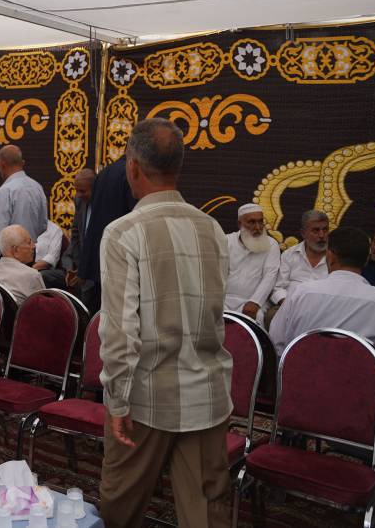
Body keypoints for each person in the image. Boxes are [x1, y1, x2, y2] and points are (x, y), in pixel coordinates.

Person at [98, 118, 233, 528]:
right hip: (207, 392)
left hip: (146, 396)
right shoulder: (213, 229)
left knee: (121, 507)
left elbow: (120, 331)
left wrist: (118, 400)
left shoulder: (123, 232)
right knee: (206, 510)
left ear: (132, 166)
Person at [270, 227, 375, 369]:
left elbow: (277, 342)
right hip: (365, 382)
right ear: (366, 260)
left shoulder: (301, 293)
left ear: (330, 257)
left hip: (303, 378)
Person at [79, 156, 136, 314]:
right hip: (123, 263)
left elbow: (94, 223)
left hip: (100, 261)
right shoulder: (132, 173)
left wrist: (84, 267)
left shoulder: (105, 173)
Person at [0, 145, 48, 265]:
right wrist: (27, 242)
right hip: (30, 255)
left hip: (10, 259)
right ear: (22, 163)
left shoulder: (5, 191)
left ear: (1, 165)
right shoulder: (37, 187)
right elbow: (43, 225)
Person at [41, 168, 95, 301]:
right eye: (76, 190)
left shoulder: (103, 206)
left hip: (94, 270)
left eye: (82, 191)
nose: (78, 195)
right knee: (43, 277)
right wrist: (72, 268)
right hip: (75, 266)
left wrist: (83, 271)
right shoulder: (79, 201)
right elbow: (75, 236)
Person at [224, 203, 281, 324]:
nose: (258, 227)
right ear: (239, 224)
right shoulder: (225, 241)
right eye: (252, 222)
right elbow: (216, 276)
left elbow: (270, 276)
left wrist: (255, 302)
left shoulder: (271, 244)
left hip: (253, 302)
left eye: (260, 222)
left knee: (256, 318)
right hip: (224, 300)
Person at [272, 209, 329, 308]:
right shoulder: (289, 255)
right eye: (316, 230)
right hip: (291, 307)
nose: (322, 235)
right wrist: (289, 305)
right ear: (303, 233)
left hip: (324, 308)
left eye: (325, 229)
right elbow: (278, 288)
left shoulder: (337, 257)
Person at [0, 225, 45, 305]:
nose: (33, 246)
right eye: (29, 242)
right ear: (15, 250)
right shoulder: (32, 275)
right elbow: (43, 308)